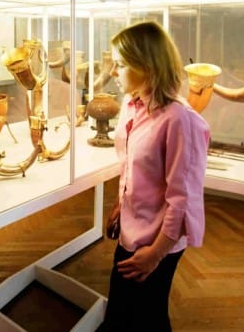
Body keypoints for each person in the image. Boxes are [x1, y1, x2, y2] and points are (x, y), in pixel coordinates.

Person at [101, 21, 210, 331]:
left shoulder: (179, 120)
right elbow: (132, 166)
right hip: (132, 229)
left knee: (146, 318)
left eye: (120, 65)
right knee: (123, 314)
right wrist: (121, 207)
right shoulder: (131, 105)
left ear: (145, 66)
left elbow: (183, 197)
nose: (113, 72)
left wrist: (156, 254)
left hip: (156, 241)